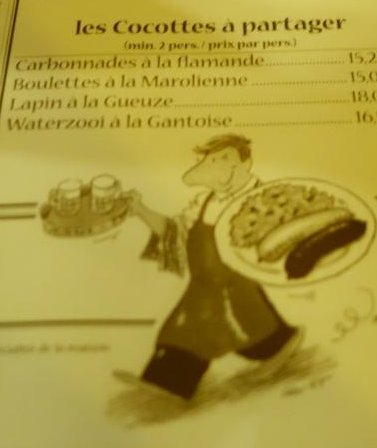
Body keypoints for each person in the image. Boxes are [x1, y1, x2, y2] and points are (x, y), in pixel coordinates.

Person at [123, 134, 301, 399]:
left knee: (204, 326)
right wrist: (140, 210)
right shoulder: (203, 202)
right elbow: (174, 233)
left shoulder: (263, 200)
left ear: (245, 162)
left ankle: (168, 383)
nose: (220, 167)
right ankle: (277, 346)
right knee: (207, 326)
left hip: (232, 285)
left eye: (226, 158)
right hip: (203, 284)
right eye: (213, 161)